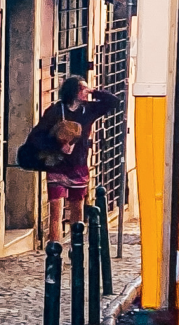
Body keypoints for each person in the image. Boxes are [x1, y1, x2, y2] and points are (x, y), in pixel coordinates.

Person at [28, 76, 115, 242]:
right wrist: (57, 146)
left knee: (77, 209)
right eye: (83, 89)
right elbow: (37, 136)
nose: (86, 92)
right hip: (58, 166)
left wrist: (94, 92)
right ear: (73, 91)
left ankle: (77, 248)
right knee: (56, 211)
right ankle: (55, 249)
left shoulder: (88, 110)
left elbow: (113, 102)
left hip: (79, 165)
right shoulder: (55, 111)